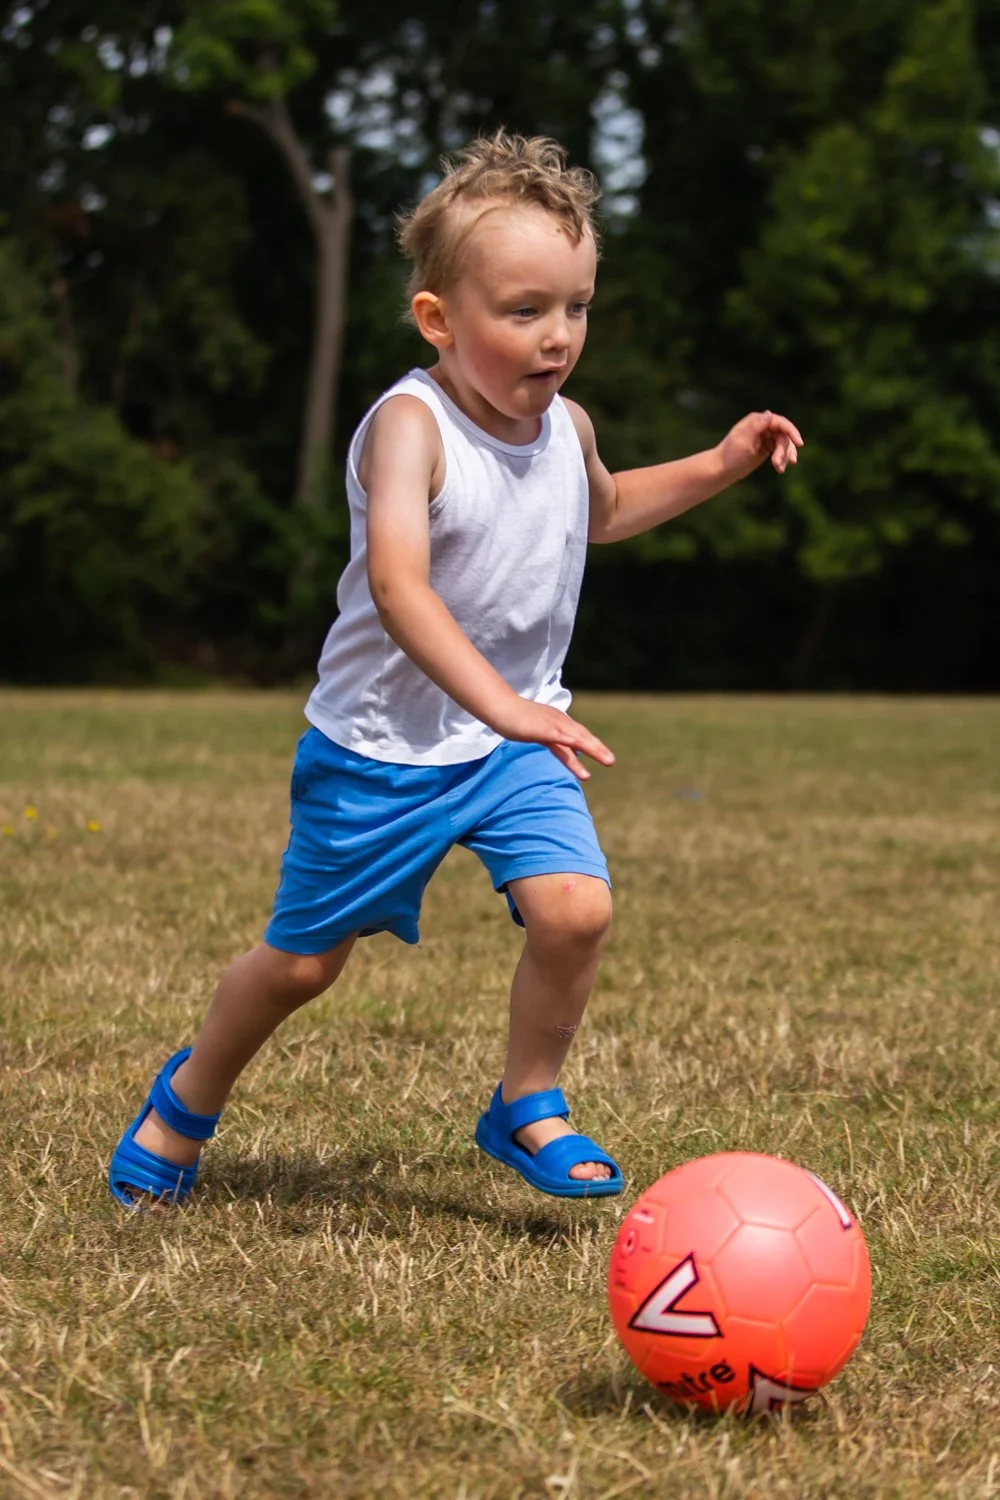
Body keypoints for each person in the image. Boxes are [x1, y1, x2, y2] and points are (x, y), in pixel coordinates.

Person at [108, 130, 801, 1207]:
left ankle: (526, 1103)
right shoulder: (408, 426)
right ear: (438, 318)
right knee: (301, 967)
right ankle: (184, 1102)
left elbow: (603, 509)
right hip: (382, 749)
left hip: (509, 743)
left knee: (575, 910)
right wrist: (505, 704)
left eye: (573, 307)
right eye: (523, 311)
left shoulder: (567, 427)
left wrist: (721, 462)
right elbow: (399, 586)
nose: (556, 337)